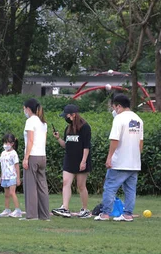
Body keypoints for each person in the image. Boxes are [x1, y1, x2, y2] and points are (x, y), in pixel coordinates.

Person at [95, 94, 143, 222]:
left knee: (110, 187)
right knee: (130, 190)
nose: (114, 110)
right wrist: (136, 157)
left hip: (120, 161)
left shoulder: (119, 119)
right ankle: (128, 214)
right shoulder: (138, 119)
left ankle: (105, 213)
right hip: (134, 162)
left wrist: (109, 157)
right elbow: (140, 142)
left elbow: (114, 139)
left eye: (114, 107)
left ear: (119, 106)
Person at [52, 104, 92, 218]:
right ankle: (65, 208)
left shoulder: (85, 127)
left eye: (67, 116)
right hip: (69, 160)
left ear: (74, 115)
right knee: (66, 182)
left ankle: (84, 210)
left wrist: (83, 161)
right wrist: (58, 138)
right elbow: (66, 145)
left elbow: (86, 146)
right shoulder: (68, 129)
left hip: (81, 160)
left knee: (81, 186)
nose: (66, 118)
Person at [21, 98, 49, 220]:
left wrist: (26, 158)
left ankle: (32, 215)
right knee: (42, 186)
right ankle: (44, 215)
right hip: (42, 155)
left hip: (33, 156)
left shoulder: (30, 121)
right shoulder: (43, 122)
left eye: (24, 108)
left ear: (28, 109)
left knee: (30, 186)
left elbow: (30, 141)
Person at [0, 133, 22, 218]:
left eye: (8, 143)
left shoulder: (14, 153)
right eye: (5, 143)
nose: (6, 145)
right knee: (6, 194)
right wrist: (1, 176)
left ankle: (17, 210)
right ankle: (7, 209)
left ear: (12, 144)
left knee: (12, 193)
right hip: (5, 177)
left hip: (12, 176)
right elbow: (2, 165)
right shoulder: (3, 153)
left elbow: (17, 166)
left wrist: (18, 178)